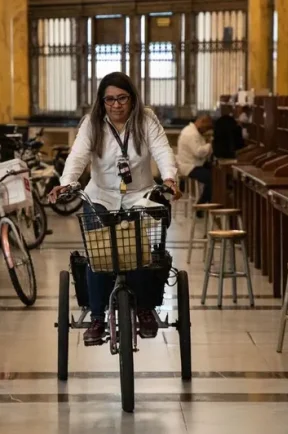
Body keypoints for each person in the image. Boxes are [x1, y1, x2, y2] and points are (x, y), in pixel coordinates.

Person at [49, 72, 180, 346]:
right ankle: (97, 317)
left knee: (142, 249)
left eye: (122, 98)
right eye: (110, 99)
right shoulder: (92, 123)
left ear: (132, 98)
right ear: (102, 101)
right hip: (101, 196)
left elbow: (162, 149)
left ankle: (144, 307)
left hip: (139, 194)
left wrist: (169, 177)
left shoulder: (146, 119)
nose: (116, 105)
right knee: (98, 250)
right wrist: (68, 183)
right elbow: (78, 155)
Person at [176, 114, 213, 208]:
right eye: (206, 128)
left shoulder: (193, 131)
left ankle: (206, 203)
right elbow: (198, 152)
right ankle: (201, 205)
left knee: (215, 173)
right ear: (201, 123)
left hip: (194, 164)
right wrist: (210, 145)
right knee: (211, 179)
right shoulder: (191, 134)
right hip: (190, 166)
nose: (205, 131)